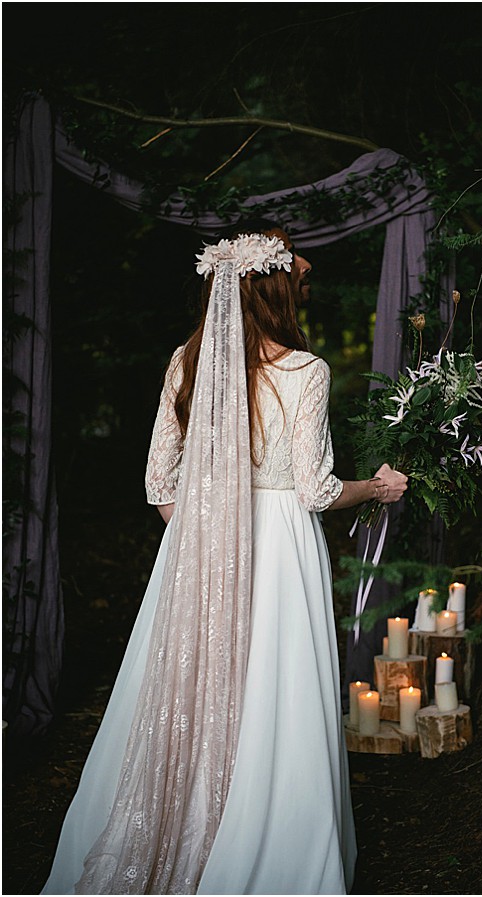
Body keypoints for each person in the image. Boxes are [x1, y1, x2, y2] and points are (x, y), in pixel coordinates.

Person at [41, 220, 408, 895]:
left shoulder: (186, 364)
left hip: (198, 554)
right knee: (273, 694)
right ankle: (268, 845)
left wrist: (209, 531)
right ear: (276, 291)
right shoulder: (305, 372)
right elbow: (317, 489)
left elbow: (158, 483)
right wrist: (377, 487)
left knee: (191, 691)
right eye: (296, 278)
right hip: (281, 551)